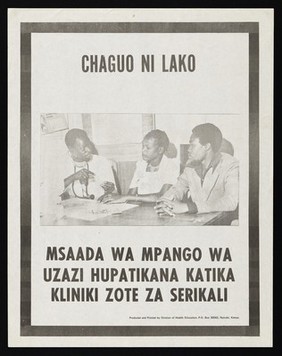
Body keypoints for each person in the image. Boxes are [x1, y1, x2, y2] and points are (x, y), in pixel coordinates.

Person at [155, 123, 239, 216]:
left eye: (193, 145)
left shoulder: (231, 165)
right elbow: (177, 189)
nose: (188, 149)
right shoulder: (190, 166)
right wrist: (165, 202)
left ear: (207, 146)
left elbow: (231, 201)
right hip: (198, 222)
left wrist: (188, 207)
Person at [113, 129, 179, 204]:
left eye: (148, 148)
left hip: (161, 209)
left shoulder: (170, 166)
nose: (143, 151)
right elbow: (131, 194)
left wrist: (127, 197)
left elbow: (162, 196)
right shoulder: (141, 165)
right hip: (141, 209)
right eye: (143, 147)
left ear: (160, 150)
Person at [61, 128, 115, 201]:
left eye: (88, 145)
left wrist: (109, 191)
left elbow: (113, 192)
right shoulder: (62, 165)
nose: (89, 150)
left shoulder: (102, 162)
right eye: (83, 148)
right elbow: (54, 192)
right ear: (72, 150)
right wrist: (73, 177)